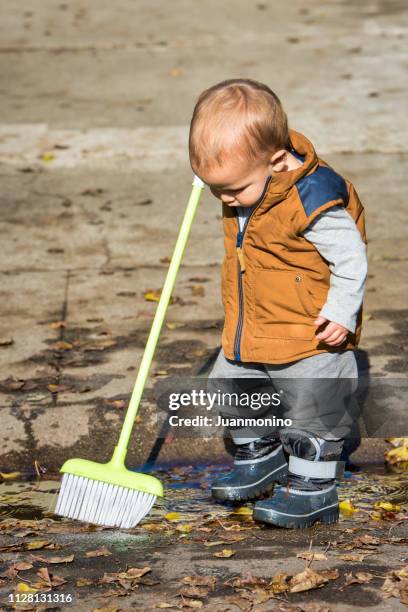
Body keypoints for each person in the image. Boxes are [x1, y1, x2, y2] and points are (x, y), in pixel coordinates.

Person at [188, 78, 368, 528]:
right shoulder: (245, 179)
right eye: (215, 190)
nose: (226, 201)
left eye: (233, 190)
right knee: (229, 388)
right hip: (254, 326)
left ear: (274, 161)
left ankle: (314, 489)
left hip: (310, 332)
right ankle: (262, 455)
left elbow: (351, 259)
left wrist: (341, 312)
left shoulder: (313, 199)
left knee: (314, 411)